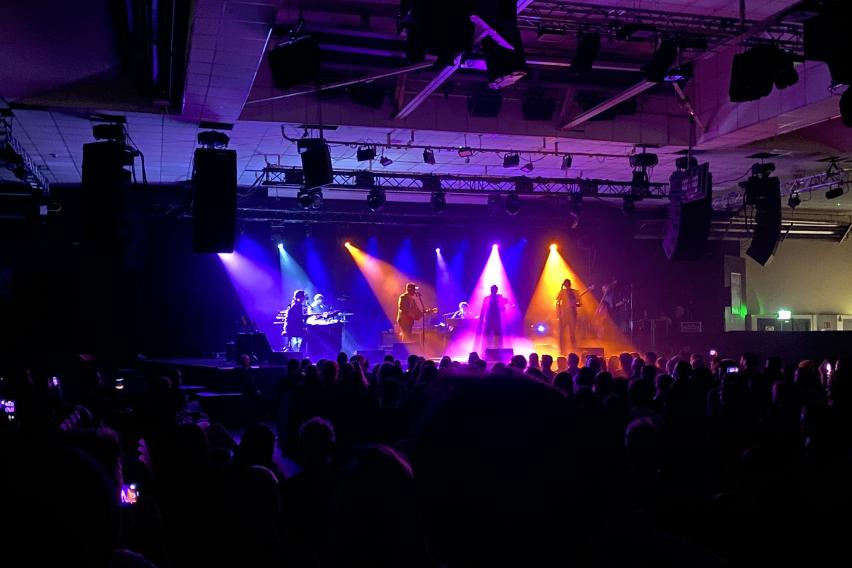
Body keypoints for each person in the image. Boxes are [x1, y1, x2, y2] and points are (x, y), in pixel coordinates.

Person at [480, 285, 511, 349]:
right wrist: (481, 318)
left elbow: (503, 308)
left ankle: (496, 348)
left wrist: (503, 303)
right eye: (493, 289)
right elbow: (483, 308)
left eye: (495, 289)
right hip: (490, 318)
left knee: (496, 333)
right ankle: (486, 348)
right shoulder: (487, 298)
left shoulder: (498, 298)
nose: (494, 291)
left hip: (495, 318)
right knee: (488, 333)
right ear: (491, 290)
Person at [555, 279, 580, 355]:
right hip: (563, 315)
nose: (566, 285)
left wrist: (574, 304)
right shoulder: (562, 292)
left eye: (567, 284)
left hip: (573, 315)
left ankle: (573, 351)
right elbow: (557, 302)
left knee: (572, 333)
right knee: (561, 333)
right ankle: (562, 351)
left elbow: (580, 304)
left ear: (570, 284)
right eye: (565, 284)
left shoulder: (575, 292)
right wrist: (558, 312)